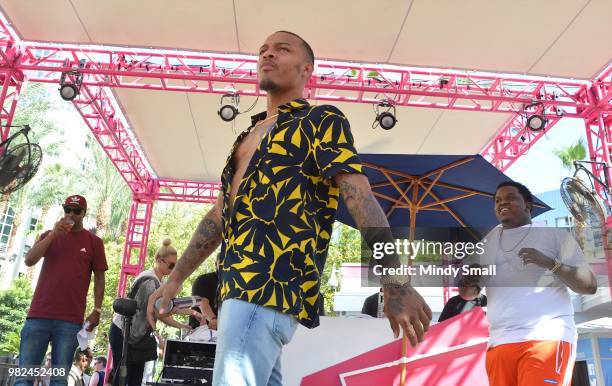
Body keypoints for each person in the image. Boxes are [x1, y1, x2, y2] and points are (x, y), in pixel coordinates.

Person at [148, 31, 431, 386]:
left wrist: (394, 281)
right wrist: (174, 281)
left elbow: (360, 196)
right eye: (263, 50)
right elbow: (218, 217)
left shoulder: (321, 120)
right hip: (238, 290)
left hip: (265, 287)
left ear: (307, 68)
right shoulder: (245, 138)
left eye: (282, 49)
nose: (268, 55)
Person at [473, 181, 597, 386]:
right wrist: (470, 281)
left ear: (528, 206)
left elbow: (589, 285)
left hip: (547, 337)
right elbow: (469, 293)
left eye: (510, 197)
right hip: (499, 344)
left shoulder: (556, 236)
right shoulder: (485, 244)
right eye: (498, 200)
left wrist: (550, 263)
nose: (502, 203)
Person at [17, 195, 107, 386]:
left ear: (84, 213)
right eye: (67, 210)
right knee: (24, 377)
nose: (71, 214)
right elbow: (29, 260)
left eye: (76, 211)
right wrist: (52, 235)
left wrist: (97, 310)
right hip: (38, 316)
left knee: (59, 380)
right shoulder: (49, 236)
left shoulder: (94, 243)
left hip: (69, 321)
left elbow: (100, 277)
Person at [109, 239, 190, 386]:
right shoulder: (151, 282)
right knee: (124, 377)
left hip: (133, 334)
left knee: (134, 377)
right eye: (171, 265)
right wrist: (182, 325)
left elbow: (164, 310)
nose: (173, 269)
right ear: (160, 261)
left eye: (175, 266)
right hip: (124, 332)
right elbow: (159, 313)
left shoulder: (155, 280)